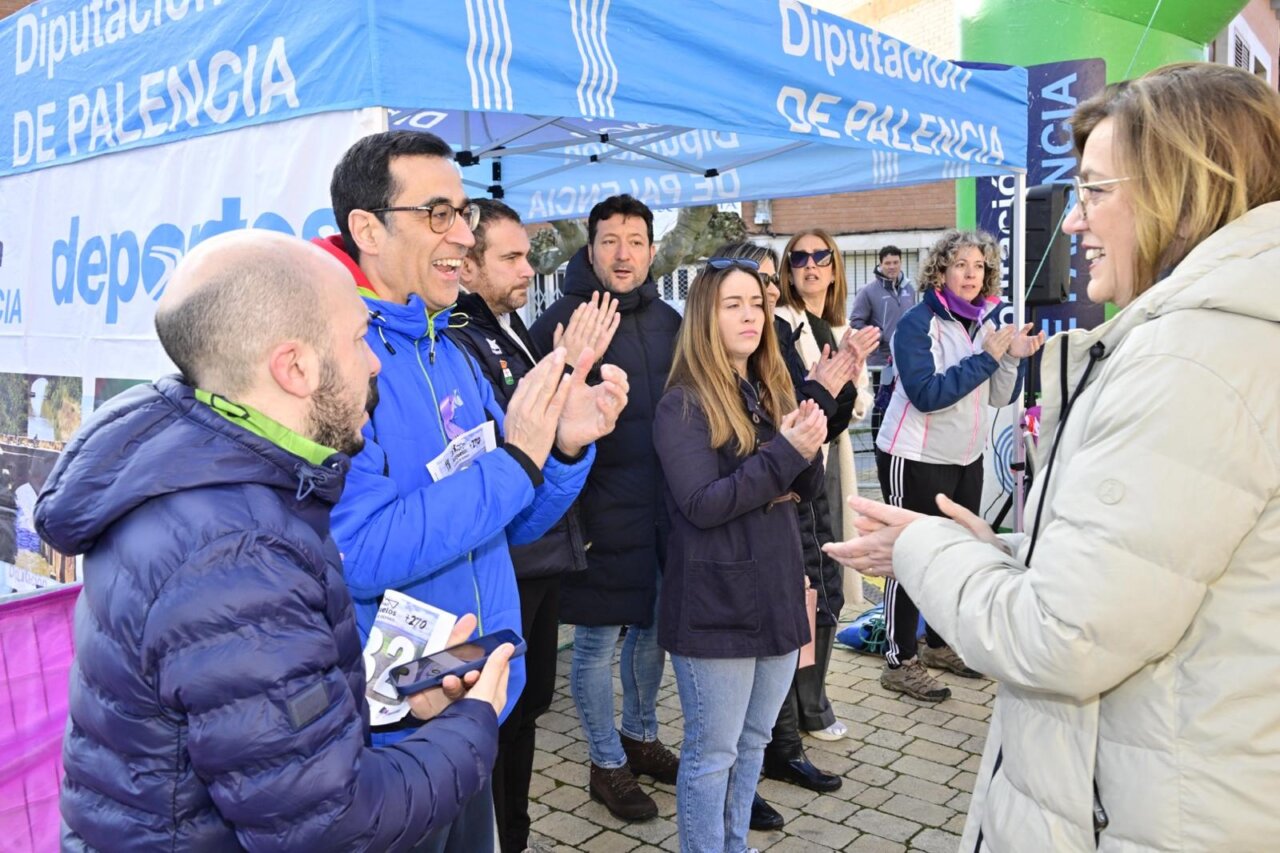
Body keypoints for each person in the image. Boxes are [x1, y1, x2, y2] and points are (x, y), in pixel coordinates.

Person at [828, 61, 1280, 852]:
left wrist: (944, 544)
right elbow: (933, 393)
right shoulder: (1212, 344)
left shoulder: (1193, 360)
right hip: (1170, 792)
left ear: (1182, 187)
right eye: (960, 266)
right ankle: (905, 650)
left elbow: (1065, 633)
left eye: (1096, 190)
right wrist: (997, 553)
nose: (1073, 220)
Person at [38, 231, 515, 851]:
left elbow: (257, 728)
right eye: (356, 339)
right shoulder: (233, 557)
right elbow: (329, 826)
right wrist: (469, 725)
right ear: (295, 368)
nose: (373, 361)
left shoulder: (227, 487)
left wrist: (394, 704)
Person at [316, 130, 628, 852]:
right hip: (397, 722)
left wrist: (564, 447)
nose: (462, 234)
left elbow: (511, 520)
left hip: (478, 696)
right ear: (367, 228)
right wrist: (517, 457)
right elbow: (358, 549)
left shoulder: (448, 347)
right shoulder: (339, 361)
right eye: (437, 214)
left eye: (461, 212)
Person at [445, 199, 623, 853]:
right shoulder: (463, 336)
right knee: (498, 717)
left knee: (526, 710)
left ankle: (513, 834)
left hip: (541, 551)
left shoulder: (509, 326)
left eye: (528, 254)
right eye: (511, 257)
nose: (528, 269)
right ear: (467, 265)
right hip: (508, 561)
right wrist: (565, 368)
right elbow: (511, 443)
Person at [654, 257, 828, 853]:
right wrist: (780, 460)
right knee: (713, 751)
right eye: (734, 304)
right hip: (716, 607)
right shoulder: (682, 404)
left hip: (777, 591)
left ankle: (734, 842)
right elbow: (703, 502)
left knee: (754, 741)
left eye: (756, 303)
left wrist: (805, 438)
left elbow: (804, 491)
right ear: (705, 316)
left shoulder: (768, 386)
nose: (751, 315)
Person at [713, 242, 877, 831]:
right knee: (756, 658)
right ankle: (745, 777)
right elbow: (735, 470)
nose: (761, 302)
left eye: (764, 291)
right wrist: (803, 424)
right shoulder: (727, 368)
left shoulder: (785, 341)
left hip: (797, 503)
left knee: (799, 624)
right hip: (749, 532)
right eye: (747, 292)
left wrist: (835, 390)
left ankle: (781, 749)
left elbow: (816, 432)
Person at [529, 194, 683, 821]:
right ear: (590, 248)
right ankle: (604, 761)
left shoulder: (670, 320)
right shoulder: (563, 320)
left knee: (651, 631)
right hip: (593, 514)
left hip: (661, 513)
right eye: (611, 240)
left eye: (637, 241)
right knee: (593, 644)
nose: (624, 254)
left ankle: (640, 737)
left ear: (651, 250)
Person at [870, 229, 1041, 702]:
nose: (970, 274)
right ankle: (898, 659)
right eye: (960, 264)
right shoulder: (916, 323)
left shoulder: (982, 325)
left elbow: (1000, 397)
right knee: (906, 557)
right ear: (940, 270)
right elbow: (927, 395)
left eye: (979, 266)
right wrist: (988, 359)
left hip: (967, 458)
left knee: (959, 556)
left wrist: (1010, 359)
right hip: (915, 456)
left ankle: (940, 646)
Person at [771, 227, 871, 741]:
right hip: (798, 462)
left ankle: (814, 698)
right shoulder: (780, 324)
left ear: (834, 268)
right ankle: (803, 705)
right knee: (810, 580)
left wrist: (850, 371)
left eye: (821, 257)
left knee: (827, 576)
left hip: (832, 460)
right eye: (799, 257)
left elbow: (858, 407)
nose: (810, 265)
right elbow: (802, 405)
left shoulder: (835, 326)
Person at [849, 244, 917, 444]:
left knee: (904, 403)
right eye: (887, 263)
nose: (892, 267)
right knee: (882, 406)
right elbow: (856, 322)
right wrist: (878, 337)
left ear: (901, 263)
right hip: (882, 361)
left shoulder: (909, 289)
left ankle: (900, 443)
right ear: (880, 264)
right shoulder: (869, 291)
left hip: (905, 359)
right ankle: (879, 446)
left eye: (895, 262)